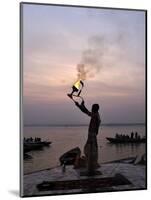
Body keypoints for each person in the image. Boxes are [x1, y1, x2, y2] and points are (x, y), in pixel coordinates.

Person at [74, 99, 101, 175]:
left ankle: (91, 168)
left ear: (94, 109)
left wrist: (81, 106)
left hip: (92, 135)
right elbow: (87, 112)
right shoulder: (96, 114)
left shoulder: (95, 115)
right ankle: (91, 167)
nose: (92, 109)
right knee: (90, 151)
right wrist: (80, 105)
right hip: (92, 135)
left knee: (90, 151)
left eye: (92, 108)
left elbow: (87, 112)